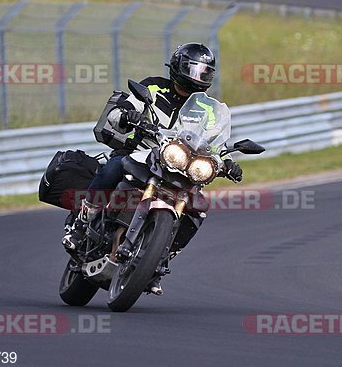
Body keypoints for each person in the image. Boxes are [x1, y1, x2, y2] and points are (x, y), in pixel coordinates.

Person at [62, 42, 243, 294]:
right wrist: (126, 115)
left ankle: (160, 258)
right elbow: (124, 107)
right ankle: (84, 221)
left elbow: (214, 142)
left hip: (181, 165)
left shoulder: (209, 108)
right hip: (141, 152)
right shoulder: (154, 87)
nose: (197, 77)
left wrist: (226, 163)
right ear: (178, 67)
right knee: (114, 166)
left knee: (199, 207)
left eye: (204, 72)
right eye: (193, 69)